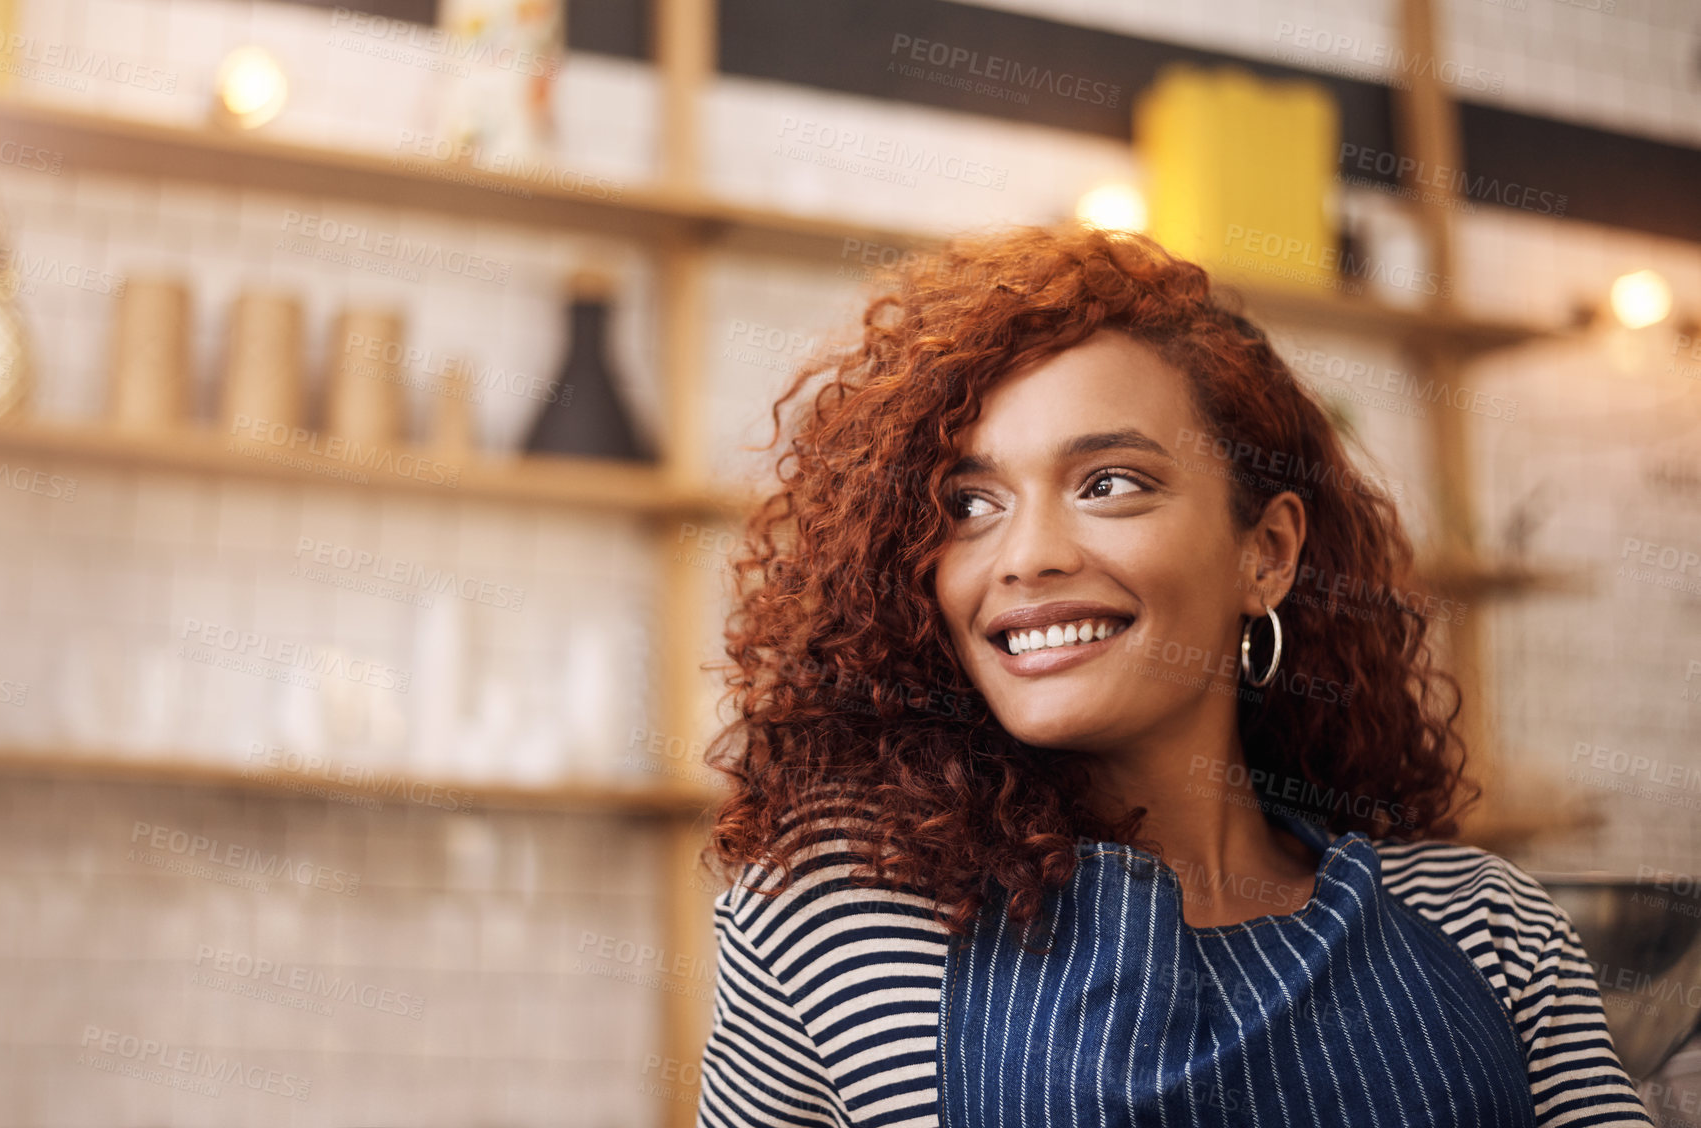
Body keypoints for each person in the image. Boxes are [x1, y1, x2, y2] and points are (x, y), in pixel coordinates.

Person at [691, 222, 1653, 1126]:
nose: (1026, 557)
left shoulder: (1488, 925)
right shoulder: (832, 924)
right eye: (971, 503)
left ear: (1265, 553)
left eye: (1109, 484)